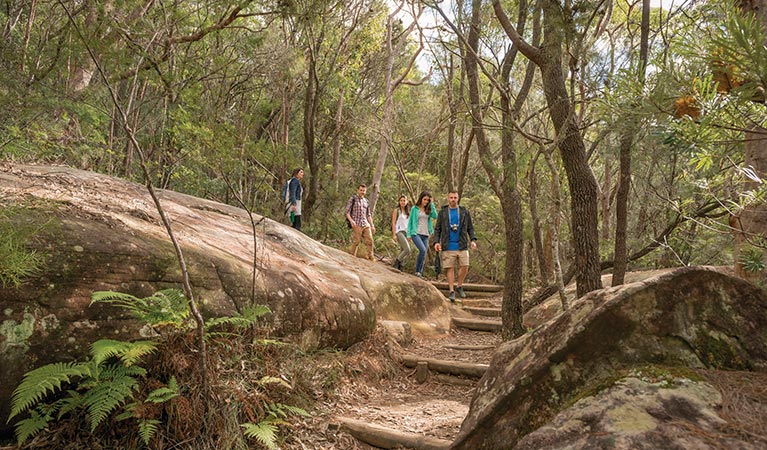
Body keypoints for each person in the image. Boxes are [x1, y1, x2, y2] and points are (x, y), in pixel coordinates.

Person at [433, 190, 477, 302]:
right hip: (448, 245)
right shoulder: (443, 212)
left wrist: (473, 240)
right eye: (451, 197)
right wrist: (436, 242)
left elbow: (470, 228)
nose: (453, 199)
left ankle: (459, 286)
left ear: (458, 198)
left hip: (462, 244)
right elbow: (438, 229)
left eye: (455, 197)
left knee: (465, 265)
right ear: (448, 198)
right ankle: (451, 290)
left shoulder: (464, 212)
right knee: (450, 268)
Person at [407, 191, 437, 278]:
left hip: (425, 234)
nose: (426, 201)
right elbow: (410, 222)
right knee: (423, 250)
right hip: (416, 233)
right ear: (421, 199)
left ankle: (419, 272)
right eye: (424, 199)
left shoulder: (429, 209)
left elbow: (435, 216)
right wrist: (408, 234)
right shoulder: (414, 209)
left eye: (428, 200)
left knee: (423, 254)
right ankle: (417, 271)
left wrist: (432, 204)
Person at [346, 184, 375, 261]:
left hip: (365, 223)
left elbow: (368, 215)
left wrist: (372, 225)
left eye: (364, 190)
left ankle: (370, 256)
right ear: (358, 190)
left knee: (370, 240)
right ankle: (352, 257)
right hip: (356, 223)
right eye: (361, 190)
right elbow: (347, 212)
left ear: (365, 191)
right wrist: (351, 221)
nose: (362, 192)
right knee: (356, 241)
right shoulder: (353, 199)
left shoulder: (366, 201)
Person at [391, 195, 411, 270]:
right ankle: (397, 262)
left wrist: (409, 235)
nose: (402, 202)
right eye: (401, 200)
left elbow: (409, 224)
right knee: (407, 249)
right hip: (399, 232)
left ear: (407, 202)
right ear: (399, 202)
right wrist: (394, 234)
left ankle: (400, 266)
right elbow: (393, 222)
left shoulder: (408, 212)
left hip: (406, 233)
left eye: (404, 200)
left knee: (403, 250)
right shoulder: (397, 210)